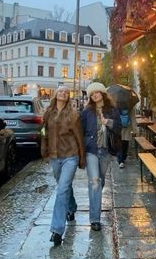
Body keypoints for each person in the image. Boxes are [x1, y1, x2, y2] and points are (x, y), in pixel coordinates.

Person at [41, 86, 85, 246]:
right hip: (54, 156)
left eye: (66, 92)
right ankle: (71, 207)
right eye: (61, 91)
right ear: (55, 94)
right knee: (64, 187)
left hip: (70, 156)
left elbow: (79, 137)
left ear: (68, 97)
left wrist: (81, 158)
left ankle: (57, 230)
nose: (63, 93)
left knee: (61, 190)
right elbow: (44, 133)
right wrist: (44, 149)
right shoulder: (48, 114)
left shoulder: (74, 115)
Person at [81, 82, 122, 231]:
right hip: (91, 150)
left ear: (102, 93)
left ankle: (95, 193)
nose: (94, 95)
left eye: (96, 92)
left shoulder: (112, 109)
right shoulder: (86, 112)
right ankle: (95, 219)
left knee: (100, 182)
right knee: (95, 182)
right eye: (92, 94)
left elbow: (119, 127)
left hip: (105, 151)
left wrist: (108, 122)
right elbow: (81, 130)